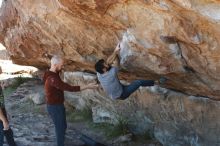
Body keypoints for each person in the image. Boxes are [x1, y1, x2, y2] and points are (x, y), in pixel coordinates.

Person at [43, 55, 98, 146]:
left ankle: (62, 140)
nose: (62, 66)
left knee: (63, 126)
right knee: (60, 128)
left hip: (55, 105)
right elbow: (69, 88)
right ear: (55, 64)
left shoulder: (49, 73)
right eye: (61, 65)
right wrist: (88, 86)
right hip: (55, 107)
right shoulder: (53, 79)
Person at [95, 43, 167, 100]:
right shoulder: (111, 74)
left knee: (108, 63)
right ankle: (157, 82)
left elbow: (108, 62)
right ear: (104, 69)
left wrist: (115, 51)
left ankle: (115, 52)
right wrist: (116, 53)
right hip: (122, 94)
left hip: (116, 91)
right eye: (104, 65)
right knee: (138, 82)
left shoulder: (99, 73)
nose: (106, 63)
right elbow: (117, 63)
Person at [0, 67, 17, 146]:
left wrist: (5, 113)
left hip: (2, 113)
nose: (1, 68)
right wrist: (4, 120)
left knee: (8, 133)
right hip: (0, 116)